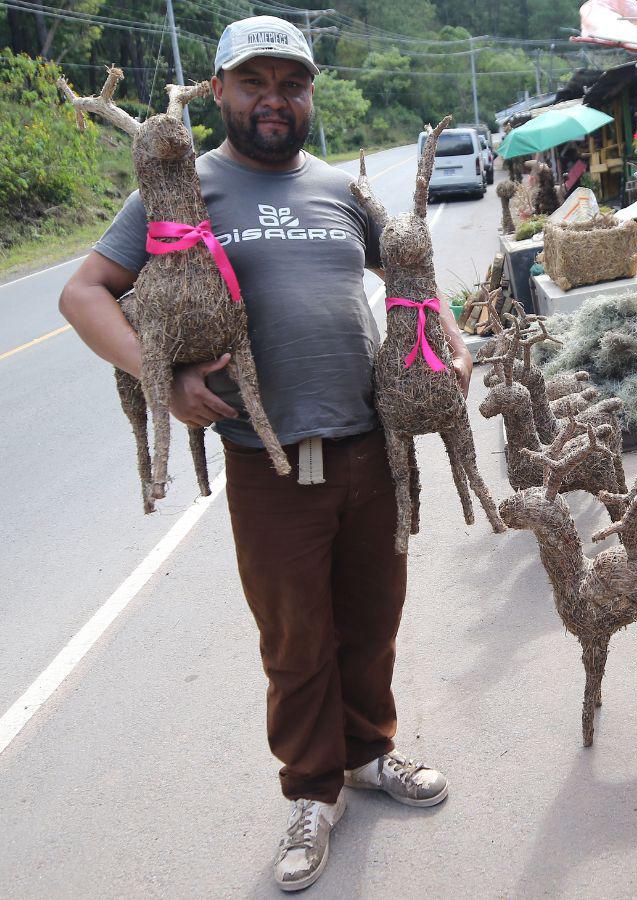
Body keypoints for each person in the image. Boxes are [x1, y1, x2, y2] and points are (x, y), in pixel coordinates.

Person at [58, 15, 466, 893]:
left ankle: (369, 755)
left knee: (374, 619)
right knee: (295, 641)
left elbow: (411, 284)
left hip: (369, 447)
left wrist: (449, 345)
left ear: (309, 93)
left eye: (291, 83)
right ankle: (313, 793)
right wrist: (157, 374)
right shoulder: (182, 186)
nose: (275, 100)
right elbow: (83, 292)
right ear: (219, 93)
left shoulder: (340, 191)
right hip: (269, 464)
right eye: (255, 83)